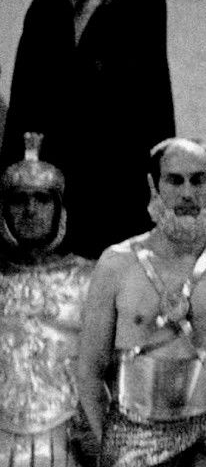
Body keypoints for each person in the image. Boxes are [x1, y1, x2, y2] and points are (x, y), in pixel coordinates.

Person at [2, 0, 175, 259]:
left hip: (118, 177)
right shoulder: (47, 6)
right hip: (57, 181)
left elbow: (154, 102)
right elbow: (25, 101)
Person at [78, 138, 206, 467]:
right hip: (129, 441)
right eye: (175, 180)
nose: (187, 194)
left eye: (198, 180)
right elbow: (89, 372)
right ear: (154, 185)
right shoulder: (116, 264)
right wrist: (113, 444)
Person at [0, 133, 96, 466]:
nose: (30, 209)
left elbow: (117, 364)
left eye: (42, 199)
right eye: (19, 200)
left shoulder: (90, 278)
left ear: (58, 209)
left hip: (68, 440)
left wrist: (103, 427)